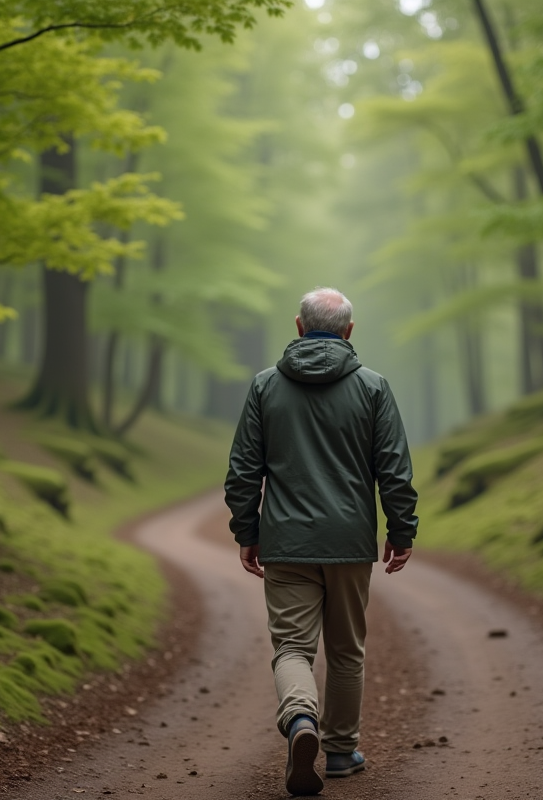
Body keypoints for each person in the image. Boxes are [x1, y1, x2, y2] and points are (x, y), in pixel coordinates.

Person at [224, 286, 419, 796]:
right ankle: (338, 752)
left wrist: (247, 532)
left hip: (286, 542)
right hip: (351, 543)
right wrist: (401, 531)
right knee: (346, 650)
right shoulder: (373, 387)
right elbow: (394, 470)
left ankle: (299, 719)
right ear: (349, 331)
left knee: (292, 647)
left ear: (298, 326)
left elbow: (243, 470)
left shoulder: (266, 386)